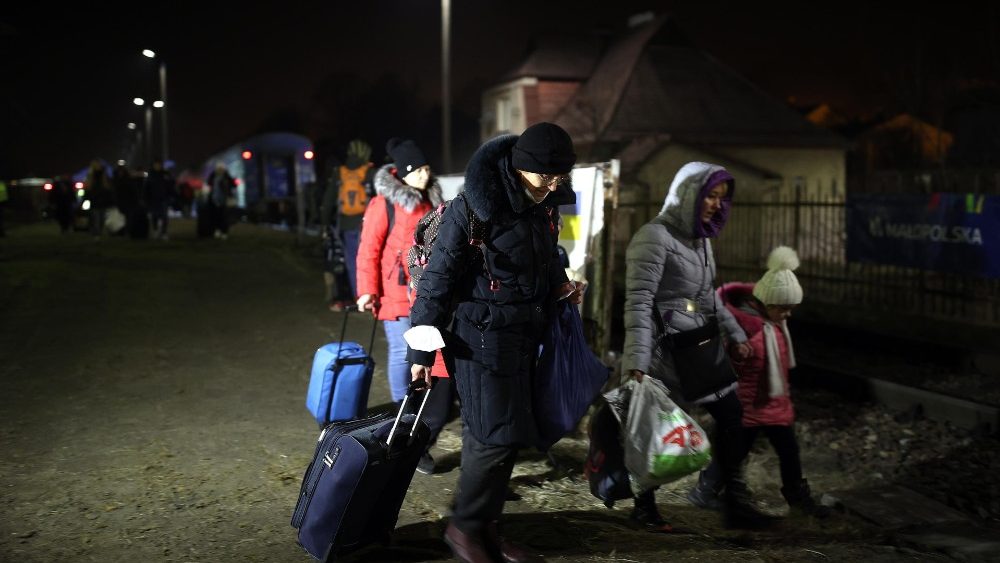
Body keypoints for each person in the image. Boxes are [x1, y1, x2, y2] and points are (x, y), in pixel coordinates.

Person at [407, 122, 583, 563]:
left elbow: (543, 264)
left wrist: (559, 287)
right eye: (546, 175)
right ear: (520, 168)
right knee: (492, 438)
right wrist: (421, 353)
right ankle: (462, 528)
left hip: (523, 338)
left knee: (507, 436)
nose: (554, 183)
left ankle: (488, 527)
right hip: (477, 341)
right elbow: (436, 284)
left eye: (560, 175)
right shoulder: (472, 209)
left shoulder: (541, 208)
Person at [622, 161, 775, 531]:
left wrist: (736, 337)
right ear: (688, 194)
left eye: (722, 198)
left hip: (700, 348)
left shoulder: (701, 239)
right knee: (654, 429)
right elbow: (639, 301)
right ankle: (644, 507)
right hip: (663, 354)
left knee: (735, 417)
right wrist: (637, 361)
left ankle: (722, 494)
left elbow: (709, 298)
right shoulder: (653, 237)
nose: (716, 205)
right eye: (710, 196)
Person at [687, 246, 831, 518]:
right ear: (768, 304)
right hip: (747, 407)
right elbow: (728, 365)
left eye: (791, 309)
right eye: (784, 309)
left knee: (789, 451)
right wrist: (738, 359)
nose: (788, 315)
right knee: (734, 453)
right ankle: (704, 492)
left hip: (773, 405)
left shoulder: (772, 324)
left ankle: (797, 498)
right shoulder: (744, 328)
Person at [356, 138, 443, 404]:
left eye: (427, 169)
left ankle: (422, 403)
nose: (424, 175)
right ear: (403, 173)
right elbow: (368, 248)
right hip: (394, 288)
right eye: (418, 171)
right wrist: (367, 290)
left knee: (425, 348)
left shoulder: (432, 200)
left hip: (426, 288)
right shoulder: (384, 204)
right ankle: (399, 407)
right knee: (399, 350)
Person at [323, 139, 376, 299]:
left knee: (352, 261)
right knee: (370, 260)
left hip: (346, 224)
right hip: (367, 224)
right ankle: (372, 295)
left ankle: (358, 296)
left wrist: (325, 224)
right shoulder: (369, 172)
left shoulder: (340, 172)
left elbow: (328, 201)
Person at [144, 159, 175, 240]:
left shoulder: (165, 174)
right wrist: (146, 198)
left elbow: (170, 186)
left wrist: (171, 196)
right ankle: (155, 231)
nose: (157, 166)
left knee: (164, 216)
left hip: (164, 199)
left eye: (159, 164)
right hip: (153, 199)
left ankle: (164, 233)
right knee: (154, 216)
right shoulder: (150, 175)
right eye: (156, 164)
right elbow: (146, 188)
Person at [206, 162, 235, 239]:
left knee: (223, 217)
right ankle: (218, 231)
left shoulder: (225, 177)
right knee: (216, 216)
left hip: (222, 200)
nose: (220, 171)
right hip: (215, 199)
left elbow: (233, 184)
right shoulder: (216, 176)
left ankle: (223, 232)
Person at [86, 160, 113, 239]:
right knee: (96, 218)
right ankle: (96, 234)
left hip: (102, 201)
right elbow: (89, 190)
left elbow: (107, 189)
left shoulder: (103, 176)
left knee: (101, 219)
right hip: (95, 201)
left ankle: (98, 233)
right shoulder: (92, 176)